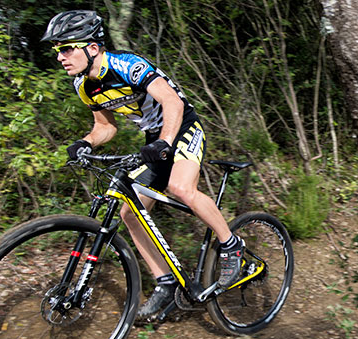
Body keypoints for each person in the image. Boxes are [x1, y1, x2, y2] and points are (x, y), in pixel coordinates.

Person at [41, 10, 245, 321]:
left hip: (183, 126)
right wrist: (86, 142)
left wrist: (165, 141)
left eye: (66, 48)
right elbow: (105, 127)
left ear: (92, 48)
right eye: (57, 50)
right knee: (129, 211)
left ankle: (231, 245)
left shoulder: (127, 65)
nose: (60, 57)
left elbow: (172, 101)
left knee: (180, 188)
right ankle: (165, 283)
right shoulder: (84, 85)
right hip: (154, 137)